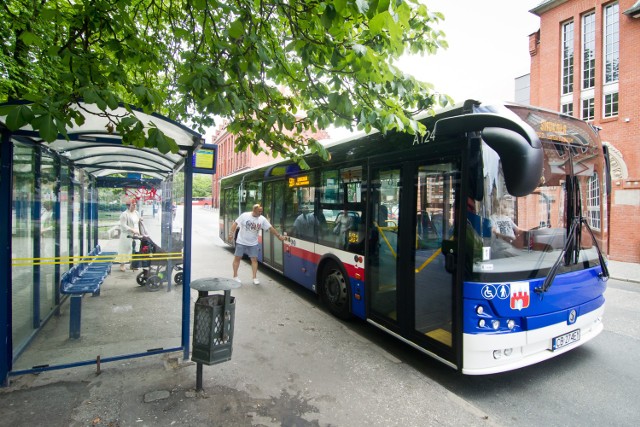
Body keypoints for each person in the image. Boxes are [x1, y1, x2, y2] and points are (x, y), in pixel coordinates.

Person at [229, 204, 285, 284]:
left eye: (261, 211)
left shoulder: (262, 219)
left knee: (254, 260)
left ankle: (254, 278)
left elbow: (270, 228)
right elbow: (235, 224)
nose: (260, 213)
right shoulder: (245, 216)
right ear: (254, 210)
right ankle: (235, 276)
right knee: (237, 258)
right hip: (241, 241)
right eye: (259, 211)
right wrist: (231, 234)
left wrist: (278, 236)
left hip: (253, 243)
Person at [117, 200, 142, 271]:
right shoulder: (124, 214)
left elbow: (137, 220)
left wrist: (140, 220)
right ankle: (122, 264)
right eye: (133, 205)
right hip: (127, 234)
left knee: (134, 249)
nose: (134, 206)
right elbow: (123, 225)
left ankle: (133, 264)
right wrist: (131, 230)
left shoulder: (136, 213)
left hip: (136, 234)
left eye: (135, 205)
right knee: (125, 249)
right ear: (128, 206)